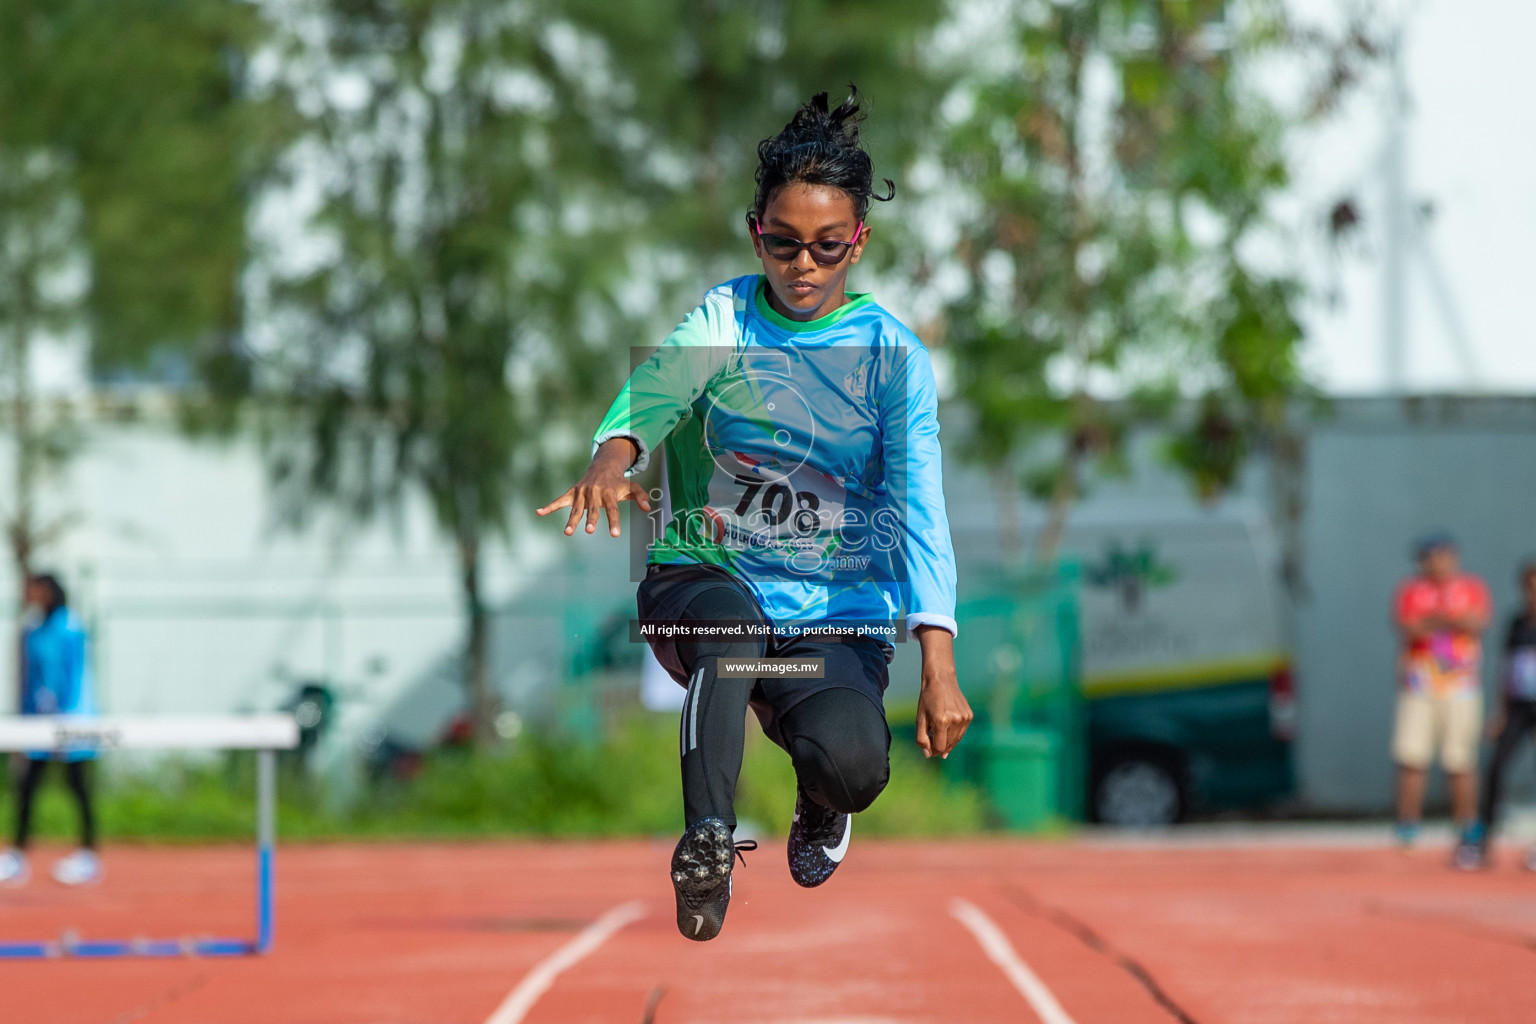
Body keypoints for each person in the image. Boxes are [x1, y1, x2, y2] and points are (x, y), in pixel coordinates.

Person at [537, 87, 970, 941]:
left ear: (859, 242)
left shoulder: (892, 358)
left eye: (825, 247)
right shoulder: (726, 318)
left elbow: (922, 505)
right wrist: (610, 458)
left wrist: (939, 660)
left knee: (853, 767)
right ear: (756, 235)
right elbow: (656, 389)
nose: (801, 266)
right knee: (731, 646)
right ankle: (706, 841)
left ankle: (821, 800)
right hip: (707, 578)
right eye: (782, 243)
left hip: (829, 625)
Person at [1390, 533, 1490, 857]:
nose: (1435, 563)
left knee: (1460, 759)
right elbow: (1409, 627)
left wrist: (1436, 620)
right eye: (1428, 557)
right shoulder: (1411, 591)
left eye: (1441, 556)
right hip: (1420, 686)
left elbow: (1476, 622)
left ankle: (1467, 824)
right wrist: (1448, 620)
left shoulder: (1471, 587)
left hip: (1460, 688)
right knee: (1412, 757)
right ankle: (1407, 825)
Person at [0, 573, 101, 886]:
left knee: (78, 785)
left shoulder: (71, 627)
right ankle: (18, 855)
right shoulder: (31, 630)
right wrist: (26, 722)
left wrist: (65, 714)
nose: (31, 595)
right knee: (27, 787)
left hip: (73, 720)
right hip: (38, 724)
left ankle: (88, 855)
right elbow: (29, 680)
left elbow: (74, 675)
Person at [1457, 561, 1536, 870]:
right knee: (1497, 767)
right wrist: (1499, 713)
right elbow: (1506, 670)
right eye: (1529, 588)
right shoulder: (1516, 623)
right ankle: (1480, 841)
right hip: (1518, 708)